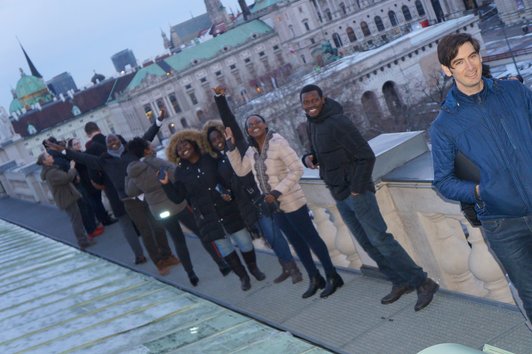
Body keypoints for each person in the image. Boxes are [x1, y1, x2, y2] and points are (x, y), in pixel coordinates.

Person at [300, 84, 438, 310]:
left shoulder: (338, 122)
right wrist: (309, 157)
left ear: (323, 99)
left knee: (380, 240)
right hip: (339, 194)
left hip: (356, 193)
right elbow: (318, 150)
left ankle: (423, 282)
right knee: (367, 243)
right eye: (306, 102)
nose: (310, 105)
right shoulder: (312, 124)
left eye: (314, 100)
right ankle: (399, 280)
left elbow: (365, 155)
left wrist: (356, 189)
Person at [431, 33, 532, 326]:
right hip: (503, 225)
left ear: (480, 56)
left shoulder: (514, 92)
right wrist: (480, 190)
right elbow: (443, 181)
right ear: (447, 70)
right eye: (458, 62)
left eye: (472, 56)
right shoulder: (444, 125)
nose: (470, 66)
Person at [225, 115, 343, 299]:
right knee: (296, 242)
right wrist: (231, 148)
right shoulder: (252, 150)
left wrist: (277, 192)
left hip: (292, 200)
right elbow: (241, 170)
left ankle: (332, 275)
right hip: (274, 206)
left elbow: (297, 169)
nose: (254, 126)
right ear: (247, 130)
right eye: (250, 125)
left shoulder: (278, 142)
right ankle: (314, 277)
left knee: (311, 239)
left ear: (265, 124)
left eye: (257, 122)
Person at [45, 115, 177, 275]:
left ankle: (167, 254)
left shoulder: (131, 153)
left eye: (116, 141)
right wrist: (65, 151)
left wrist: (158, 121)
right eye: (110, 143)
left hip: (145, 195)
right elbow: (82, 157)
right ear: (107, 146)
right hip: (128, 200)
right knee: (146, 231)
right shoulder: (103, 160)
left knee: (158, 226)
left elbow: (145, 138)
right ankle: (159, 262)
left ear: (120, 142)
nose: (114, 144)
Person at [161, 129, 265, 291]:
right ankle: (243, 276)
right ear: (177, 154)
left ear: (193, 144)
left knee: (244, 241)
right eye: (179, 149)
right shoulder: (180, 172)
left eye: (185, 144)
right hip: (207, 216)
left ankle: (253, 268)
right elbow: (178, 197)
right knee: (225, 248)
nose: (183, 149)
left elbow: (226, 179)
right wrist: (166, 184)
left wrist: (228, 192)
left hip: (227, 208)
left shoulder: (210, 159)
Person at [203, 119, 302, 284]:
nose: (218, 141)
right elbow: (227, 184)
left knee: (274, 234)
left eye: (219, 137)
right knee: (270, 238)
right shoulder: (219, 162)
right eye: (213, 141)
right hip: (246, 205)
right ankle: (285, 266)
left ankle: (293, 269)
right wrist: (226, 192)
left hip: (259, 197)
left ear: (225, 134)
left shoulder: (240, 149)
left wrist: (219, 98)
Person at [37, 152, 95, 250]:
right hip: (67, 198)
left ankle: (83, 239)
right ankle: (82, 241)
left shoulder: (50, 170)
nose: (51, 156)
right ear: (44, 161)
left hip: (66, 197)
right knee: (76, 220)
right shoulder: (52, 172)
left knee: (76, 219)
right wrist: (72, 168)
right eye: (48, 156)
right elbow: (67, 178)